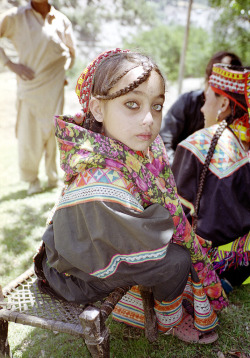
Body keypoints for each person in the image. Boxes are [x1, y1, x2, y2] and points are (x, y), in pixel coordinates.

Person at [34, 48, 227, 344]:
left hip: (90, 246)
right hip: (71, 276)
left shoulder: (133, 151)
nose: (149, 119)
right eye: (132, 104)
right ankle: (171, 319)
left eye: (157, 106)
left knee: (177, 245)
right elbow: (152, 233)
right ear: (98, 109)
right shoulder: (99, 181)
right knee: (176, 259)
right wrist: (171, 222)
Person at [172, 63, 250, 293]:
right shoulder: (244, 147)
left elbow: (175, 214)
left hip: (201, 264)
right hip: (240, 263)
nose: (203, 109)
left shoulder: (197, 145)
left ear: (223, 104)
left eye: (207, 100)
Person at [0, 0, 76, 195]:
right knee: (29, 135)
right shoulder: (15, 17)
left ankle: (53, 177)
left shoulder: (61, 20)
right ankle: (32, 180)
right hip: (30, 87)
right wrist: (10, 64)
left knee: (53, 133)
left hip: (54, 88)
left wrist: (62, 72)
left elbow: (70, 52)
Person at [160, 51, 242, 165]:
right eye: (213, 77)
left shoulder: (241, 119)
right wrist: (179, 171)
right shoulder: (187, 102)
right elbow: (163, 142)